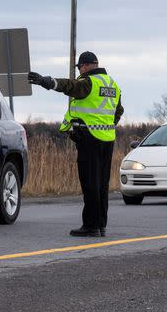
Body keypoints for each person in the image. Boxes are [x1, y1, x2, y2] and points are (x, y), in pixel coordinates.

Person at [28, 51, 123, 237]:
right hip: (107, 139)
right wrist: (107, 126)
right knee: (102, 184)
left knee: (89, 183)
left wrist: (46, 81)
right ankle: (101, 225)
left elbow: (69, 86)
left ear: (86, 65)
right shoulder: (113, 84)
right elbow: (118, 111)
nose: (79, 70)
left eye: (79, 67)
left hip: (89, 138)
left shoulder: (89, 82)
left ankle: (91, 226)